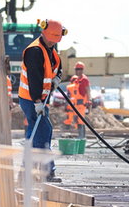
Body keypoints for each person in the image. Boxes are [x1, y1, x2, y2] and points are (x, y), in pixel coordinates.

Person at [19, 18, 66, 182]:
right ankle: (44, 171)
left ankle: (29, 171)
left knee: (39, 131)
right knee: (43, 131)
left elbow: (57, 67)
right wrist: (37, 101)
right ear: (43, 33)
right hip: (31, 99)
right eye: (51, 39)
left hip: (40, 100)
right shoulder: (35, 51)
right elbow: (35, 78)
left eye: (56, 40)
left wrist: (57, 78)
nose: (53, 42)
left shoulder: (50, 50)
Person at [65, 61, 90, 139]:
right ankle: (80, 136)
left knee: (80, 120)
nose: (77, 71)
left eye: (79, 69)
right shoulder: (75, 80)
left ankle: (82, 136)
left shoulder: (84, 79)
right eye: (76, 69)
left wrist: (89, 101)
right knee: (77, 120)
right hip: (76, 104)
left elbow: (88, 91)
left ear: (82, 70)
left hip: (82, 104)